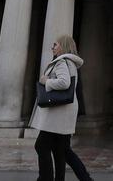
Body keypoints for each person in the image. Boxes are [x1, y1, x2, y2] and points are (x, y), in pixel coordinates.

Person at [29, 35, 84, 181]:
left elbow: (64, 83)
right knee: (62, 151)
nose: (52, 47)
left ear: (63, 46)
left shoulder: (62, 62)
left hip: (57, 113)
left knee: (41, 146)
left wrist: (46, 80)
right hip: (63, 112)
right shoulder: (70, 62)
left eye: (55, 44)